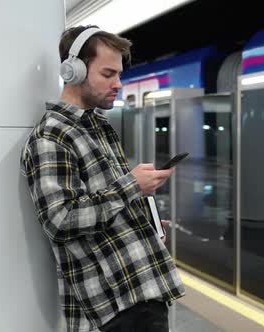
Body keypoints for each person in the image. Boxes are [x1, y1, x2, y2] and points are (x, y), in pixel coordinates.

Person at [20, 25, 185, 332]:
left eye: (119, 74)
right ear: (74, 71)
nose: (118, 84)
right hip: (117, 305)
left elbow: (103, 204)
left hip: (139, 292)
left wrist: (140, 220)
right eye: (108, 74)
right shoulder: (52, 137)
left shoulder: (97, 126)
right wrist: (131, 186)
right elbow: (60, 219)